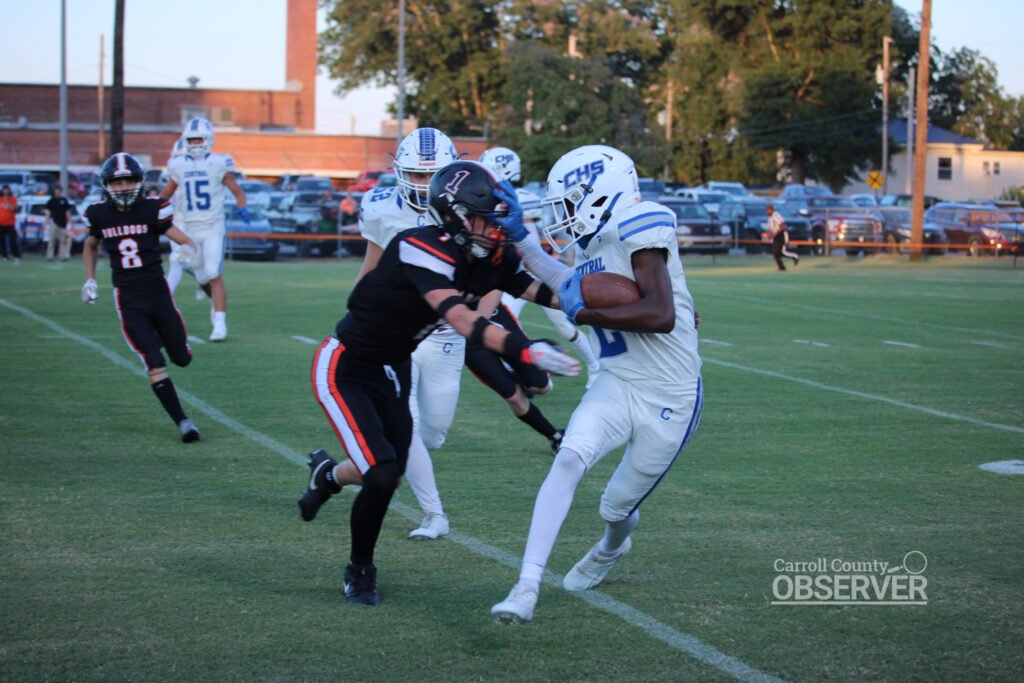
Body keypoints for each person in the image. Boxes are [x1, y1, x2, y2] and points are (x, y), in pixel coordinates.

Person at [297, 160, 580, 605]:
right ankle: (360, 569)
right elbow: (463, 319)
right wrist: (525, 351)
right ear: (458, 216)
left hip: (395, 364)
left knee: (392, 465)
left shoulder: (494, 256)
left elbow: (551, 293)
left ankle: (327, 476)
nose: (499, 229)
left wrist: (617, 308)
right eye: (490, 219)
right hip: (347, 366)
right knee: (384, 472)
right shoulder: (419, 246)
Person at [489, 145, 704, 624]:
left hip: (669, 395)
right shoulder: (595, 243)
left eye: (567, 205)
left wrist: (586, 313)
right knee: (568, 459)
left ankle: (611, 548)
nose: (562, 219)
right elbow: (564, 279)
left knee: (616, 505)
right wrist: (523, 239)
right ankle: (526, 585)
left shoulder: (640, 221)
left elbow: (661, 314)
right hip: (617, 379)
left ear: (598, 196)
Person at [350, 127, 463, 540]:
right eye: (415, 174)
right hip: (395, 333)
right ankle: (434, 515)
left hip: (448, 334)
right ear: (399, 172)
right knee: (408, 427)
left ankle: (335, 472)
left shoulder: (469, 204)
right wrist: (356, 314)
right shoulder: (382, 207)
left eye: (431, 175)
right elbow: (372, 267)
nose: (423, 184)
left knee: (432, 433)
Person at [81, 153, 202, 443]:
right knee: (153, 361)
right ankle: (183, 422)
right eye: (118, 182)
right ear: (107, 185)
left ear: (139, 182)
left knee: (182, 359)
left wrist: (187, 249)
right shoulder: (98, 213)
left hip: (158, 293)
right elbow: (90, 244)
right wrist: (89, 279)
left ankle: (161, 338)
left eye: (129, 180)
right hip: (128, 297)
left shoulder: (153, 209)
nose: (123, 187)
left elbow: (184, 239)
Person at [479, 147, 600, 385]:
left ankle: (594, 365)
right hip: (515, 277)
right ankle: (530, 368)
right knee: (504, 322)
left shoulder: (520, 198)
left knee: (564, 326)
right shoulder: (497, 197)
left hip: (535, 273)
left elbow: (524, 240)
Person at [161, 117, 249, 341]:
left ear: (209, 139)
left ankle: (219, 322)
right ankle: (215, 303)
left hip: (212, 226)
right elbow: (167, 193)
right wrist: (151, 210)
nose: (196, 143)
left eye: (199, 138)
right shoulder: (178, 165)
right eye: (191, 139)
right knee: (201, 276)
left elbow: (237, 190)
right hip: (189, 228)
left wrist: (242, 207)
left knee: (213, 272)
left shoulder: (218, 163)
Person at [45, 185, 74, 261]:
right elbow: (48, 211)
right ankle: (50, 256)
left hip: (63, 223)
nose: (57, 192)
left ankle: (62, 256)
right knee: (51, 240)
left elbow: (67, 212)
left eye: (58, 191)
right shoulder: (51, 201)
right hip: (54, 222)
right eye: (56, 191)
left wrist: (70, 222)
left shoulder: (64, 200)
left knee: (63, 240)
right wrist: (46, 220)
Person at [767, 203, 798, 271]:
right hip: (776, 236)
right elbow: (772, 229)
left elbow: (782, 225)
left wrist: (776, 233)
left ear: (772, 209)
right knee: (775, 252)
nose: (768, 211)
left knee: (781, 252)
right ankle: (781, 267)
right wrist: (769, 234)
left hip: (781, 235)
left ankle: (794, 256)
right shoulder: (770, 218)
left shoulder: (776, 215)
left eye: (769, 210)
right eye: (767, 210)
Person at [0, 185, 21, 263]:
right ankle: (5, 256)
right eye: (4, 190)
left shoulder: (13, 199)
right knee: (2, 242)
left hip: (10, 224)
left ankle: (16, 256)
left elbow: (13, 209)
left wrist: (7, 201)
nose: (5, 192)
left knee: (13, 241)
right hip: (1, 224)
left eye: (7, 190)